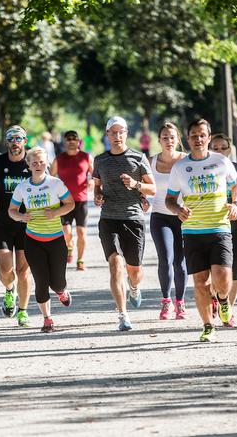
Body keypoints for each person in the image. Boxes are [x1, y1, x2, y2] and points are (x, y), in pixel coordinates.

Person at [165, 119, 237, 343]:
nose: (198, 139)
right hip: (192, 231)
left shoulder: (221, 162)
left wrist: (234, 204)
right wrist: (178, 209)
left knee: (222, 279)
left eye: (202, 135)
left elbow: (236, 188)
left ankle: (224, 300)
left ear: (208, 137)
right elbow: (169, 199)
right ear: (187, 139)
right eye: (194, 135)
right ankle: (208, 326)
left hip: (219, 228)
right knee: (200, 281)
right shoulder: (180, 167)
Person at [93, 116, 156, 331]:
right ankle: (123, 315)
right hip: (109, 219)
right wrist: (97, 196)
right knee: (115, 265)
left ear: (126, 133)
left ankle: (134, 287)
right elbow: (97, 186)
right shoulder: (100, 160)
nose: (117, 136)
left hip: (133, 219)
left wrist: (136, 184)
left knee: (135, 271)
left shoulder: (138, 158)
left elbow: (153, 188)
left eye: (121, 132)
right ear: (107, 134)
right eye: (113, 132)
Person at [9, 147, 75, 332]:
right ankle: (47, 319)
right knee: (41, 281)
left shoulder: (55, 184)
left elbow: (70, 204)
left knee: (57, 282)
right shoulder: (22, 188)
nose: (38, 166)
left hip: (55, 240)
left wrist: (55, 212)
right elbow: (11, 211)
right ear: (28, 165)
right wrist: (21, 217)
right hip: (33, 241)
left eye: (42, 162)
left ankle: (62, 291)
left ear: (47, 163)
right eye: (34, 163)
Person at [0, 125, 32, 327]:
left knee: (23, 271)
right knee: (5, 270)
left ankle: (23, 311)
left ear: (24, 141)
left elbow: (46, 185)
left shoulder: (31, 162)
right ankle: (10, 290)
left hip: (26, 223)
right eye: (11, 138)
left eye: (19, 138)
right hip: (2, 222)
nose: (15, 142)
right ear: (7, 142)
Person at [148, 123, 188, 320]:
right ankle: (166, 302)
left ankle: (180, 302)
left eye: (172, 137)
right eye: (165, 137)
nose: (169, 141)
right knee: (165, 259)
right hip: (160, 216)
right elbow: (143, 187)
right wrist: (142, 201)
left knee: (180, 263)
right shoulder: (151, 162)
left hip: (183, 217)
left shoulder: (187, 161)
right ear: (159, 140)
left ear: (178, 139)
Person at [209, 133, 237, 327]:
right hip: (212, 224)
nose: (220, 151)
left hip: (234, 223)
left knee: (235, 270)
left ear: (229, 150)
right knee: (216, 271)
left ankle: (228, 310)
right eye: (215, 148)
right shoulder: (204, 168)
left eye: (224, 148)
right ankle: (216, 297)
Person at [51, 130, 94, 270]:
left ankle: (80, 260)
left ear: (78, 141)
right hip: (64, 201)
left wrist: (92, 182)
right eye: (68, 139)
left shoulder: (86, 157)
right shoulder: (58, 159)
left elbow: (95, 175)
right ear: (64, 141)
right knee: (66, 231)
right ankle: (69, 246)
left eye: (73, 138)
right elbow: (50, 178)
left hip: (81, 201)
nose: (71, 141)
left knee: (81, 232)